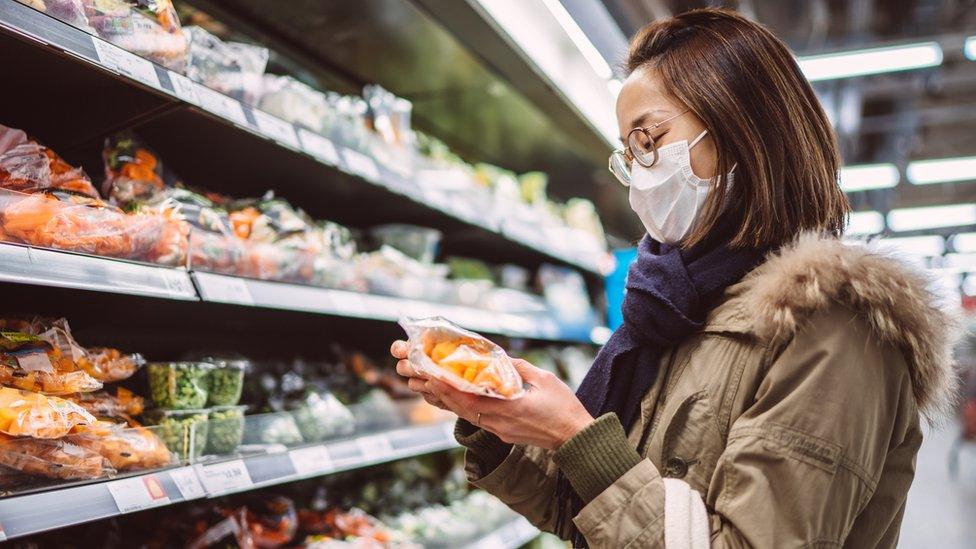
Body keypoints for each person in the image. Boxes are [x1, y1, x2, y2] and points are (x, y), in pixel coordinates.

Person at [391, 8, 958, 548]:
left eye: (650, 139)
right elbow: (590, 520)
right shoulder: (684, 307)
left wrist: (574, 435)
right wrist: (498, 415)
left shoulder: (835, 331)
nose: (639, 176)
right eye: (627, 154)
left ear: (744, 129)